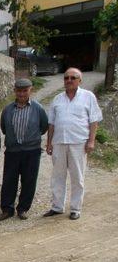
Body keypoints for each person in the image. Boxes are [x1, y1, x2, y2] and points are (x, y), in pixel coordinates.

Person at [44, 68, 103, 220]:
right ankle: (57, 207)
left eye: (73, 77)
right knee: (58, 176)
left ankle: (75, 209)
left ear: (79, 80)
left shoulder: (88, 97)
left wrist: (91, 141)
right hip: (59, 142)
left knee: (77, 176)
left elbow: (94, 120)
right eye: (66, 78)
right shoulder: (57, 99)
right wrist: (49, 143)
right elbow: (51, 124)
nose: (69, 80)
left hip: (79, 142)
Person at [0, 78, 49, 221]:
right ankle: (7, 209)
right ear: (15, 91)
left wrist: (31, 139)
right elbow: (4, 127)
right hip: (12, 151)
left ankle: (23, 209)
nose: (21, 94)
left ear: (30, 90)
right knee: (9, 180)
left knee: (29, 180)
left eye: (25, 90)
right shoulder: (7, 109)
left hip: (31, 151)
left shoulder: (38, 108)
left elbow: (44, 127)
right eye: (19, 91)